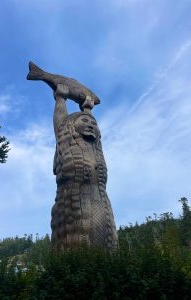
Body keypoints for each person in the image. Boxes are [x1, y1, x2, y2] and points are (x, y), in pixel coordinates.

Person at [51, 84, 118, 250]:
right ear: (72, 127)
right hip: (74, 206)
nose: (90, 125)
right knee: (78, 242)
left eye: (93, 123)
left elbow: (91, 125)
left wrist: (87, 109)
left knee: (106, 246)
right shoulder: (67, 145)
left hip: (101, 206)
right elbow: (61, 125)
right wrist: (61, 99)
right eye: (84, 122)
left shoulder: (96, 151)